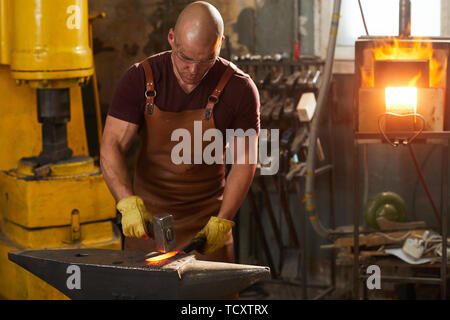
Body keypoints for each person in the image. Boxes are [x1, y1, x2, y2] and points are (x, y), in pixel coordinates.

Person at [100, 1, 260, 263]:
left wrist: (223, 220)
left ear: (219, 43)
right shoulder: (140, 78)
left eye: (205, 59)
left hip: (207, 229)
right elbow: (112, 145)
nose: (193, 71)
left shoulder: (240, 89)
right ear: (172, 38)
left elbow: (244, 161)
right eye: (184, 57)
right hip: (147, 229)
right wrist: (126, 202)